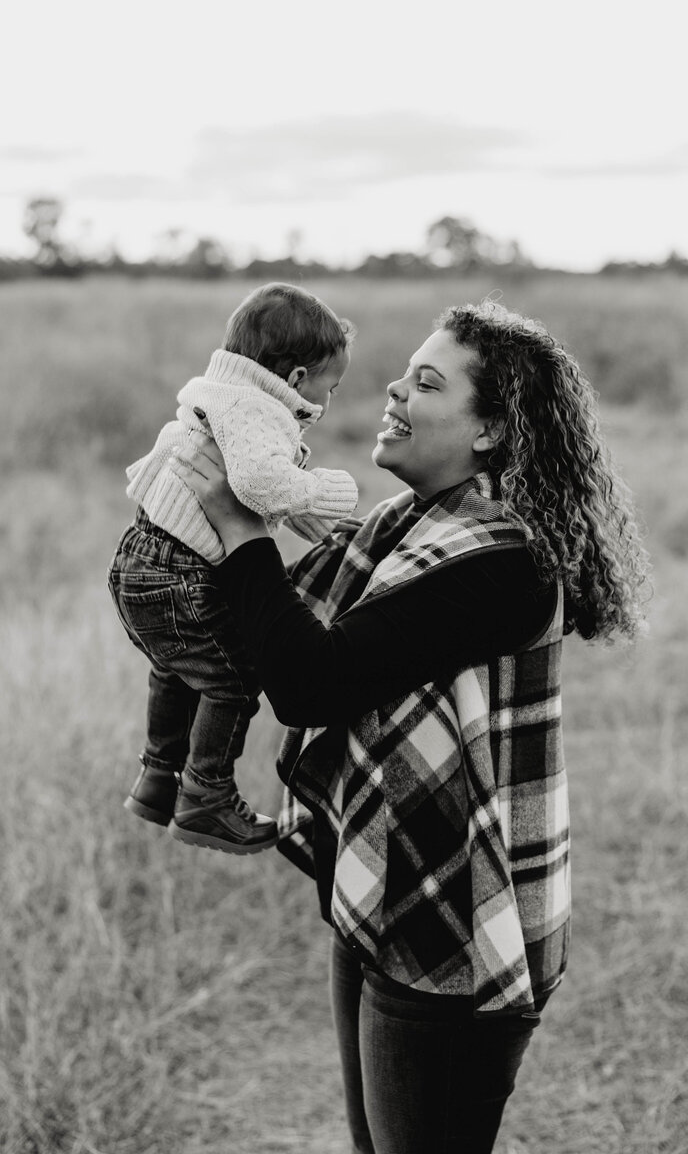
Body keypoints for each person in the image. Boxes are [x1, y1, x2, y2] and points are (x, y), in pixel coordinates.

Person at [170, 299, 651, 1152]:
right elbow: (283, 630)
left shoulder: (503, 563)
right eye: (405, 372)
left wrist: (245, 534)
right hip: (383, 892)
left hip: (457, 928)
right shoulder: (408, 527)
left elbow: (311, 682)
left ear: (492, 432)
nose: (395, 388)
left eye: (428, 383)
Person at [107, 283, 358, 855]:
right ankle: (206, 798)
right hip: (178, 572)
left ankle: (159, 778)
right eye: (330, 386)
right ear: (294, 378)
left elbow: (257, 496)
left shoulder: (226, 395)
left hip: (143, 560)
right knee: (235, 679)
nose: (328, 400)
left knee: (176, 668)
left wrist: (316, 521)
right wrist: (332, 489)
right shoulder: (256, 409)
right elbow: (260, 484)